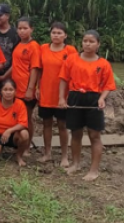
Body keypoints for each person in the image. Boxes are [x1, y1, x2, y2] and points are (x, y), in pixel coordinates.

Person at [59, 30, 116, 181]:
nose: (87, 44)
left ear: (98, 44)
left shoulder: (103, 64)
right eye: (85, 41)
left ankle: (94, 170)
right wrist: (62, 99)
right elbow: (64, 79)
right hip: (75, 97)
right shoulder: (72, 59)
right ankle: (75, 163)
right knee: (76, 133)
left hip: (93, 99)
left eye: (91, 42)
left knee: (94, 135)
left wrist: (102, 98)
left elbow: (108, 85)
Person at [37, 22, 77, 166]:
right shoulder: (43, 48)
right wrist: (36, 87)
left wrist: (71, 94)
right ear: (50, 34)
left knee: (62, 125)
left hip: (63, 95)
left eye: (59, 33)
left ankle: (64, 156)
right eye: (54, 32)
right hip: (46, 92)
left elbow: (74, 72)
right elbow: (39, 70)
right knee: (46, 124)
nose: (56, 35)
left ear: (65, 35)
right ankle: (47, 153)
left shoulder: (71, 50)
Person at [4, 17, 41, 154]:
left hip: (27, 89)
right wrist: (4, 78)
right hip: (16, 88)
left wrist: (31, 89)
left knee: (27, 118)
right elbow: (16, 65)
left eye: (25, 28)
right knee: (18, 117)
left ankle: (26, 147)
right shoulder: (19, 45)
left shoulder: (34, 46)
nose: (22, 31)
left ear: (32, 29)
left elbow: (35, 68)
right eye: (19, 28)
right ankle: (18, 143)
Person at [0, 3, 20, 82]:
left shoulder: (16, 34)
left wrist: (4, 77)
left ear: (7, 16)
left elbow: (17, 60)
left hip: (10, 75)